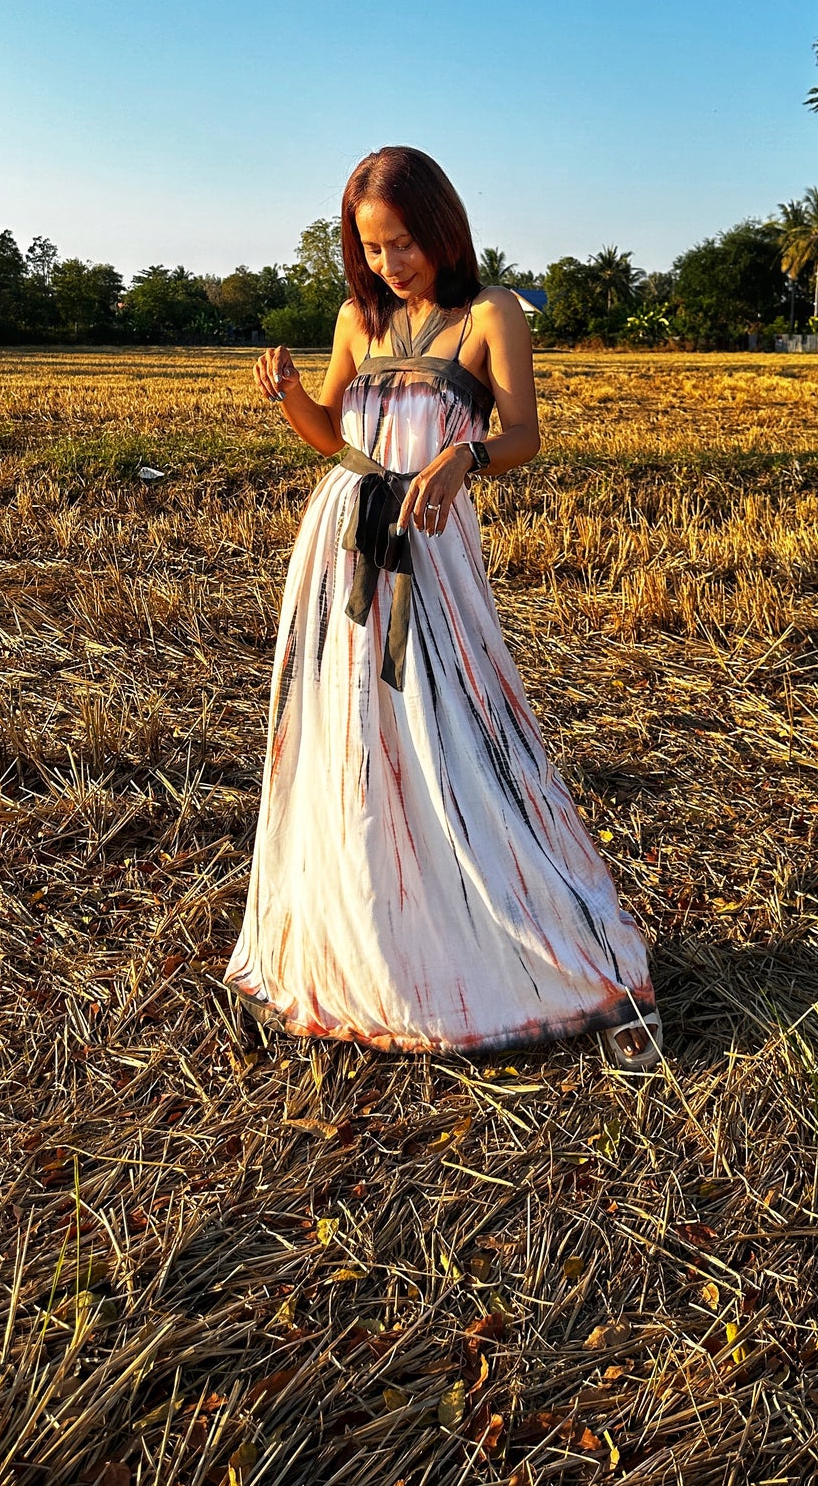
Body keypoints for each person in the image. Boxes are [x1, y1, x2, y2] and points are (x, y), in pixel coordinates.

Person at [225, 147, 661, 1073]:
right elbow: (334, 441)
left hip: (432, 551)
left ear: (443, 225)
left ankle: (523, 944)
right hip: (342, 542)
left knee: (458, 736)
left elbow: (523, 434)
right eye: (373, 247)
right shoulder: (357, 317)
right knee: (351, 746)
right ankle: (376, 948)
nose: (391, 263)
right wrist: (294, 395)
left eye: (406, 241)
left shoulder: (490, 313)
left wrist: (467, 459)